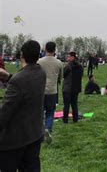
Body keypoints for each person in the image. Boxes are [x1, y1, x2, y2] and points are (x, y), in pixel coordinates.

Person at [0, 40, 46, 172]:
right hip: (34, 134)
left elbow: (4, 114)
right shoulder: (41, 73)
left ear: (22, 55)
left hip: (15, 141)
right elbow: (26, 84)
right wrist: (8, 76)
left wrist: (11, 79)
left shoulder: (18, 80)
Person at [37, 41, 63, 143]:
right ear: (54, 50)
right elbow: (61, 77)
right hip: (52, 91)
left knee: (39, 113)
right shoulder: (59, 63)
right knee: (50, 112)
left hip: (41, 91)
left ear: (45, 49)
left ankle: (39, 133)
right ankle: (48, 128)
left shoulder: (39, 62)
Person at [62, 51, 84, 124]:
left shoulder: (68, 66)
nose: (68, 58)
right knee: (74, 104)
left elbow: (63, 74)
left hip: (68, 88)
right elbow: (81, 76)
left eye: (69, 57)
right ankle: (75, 119)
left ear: (72, 57)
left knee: (66, 105)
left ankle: (65, 119)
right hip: (76, 88)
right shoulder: (80, 66)